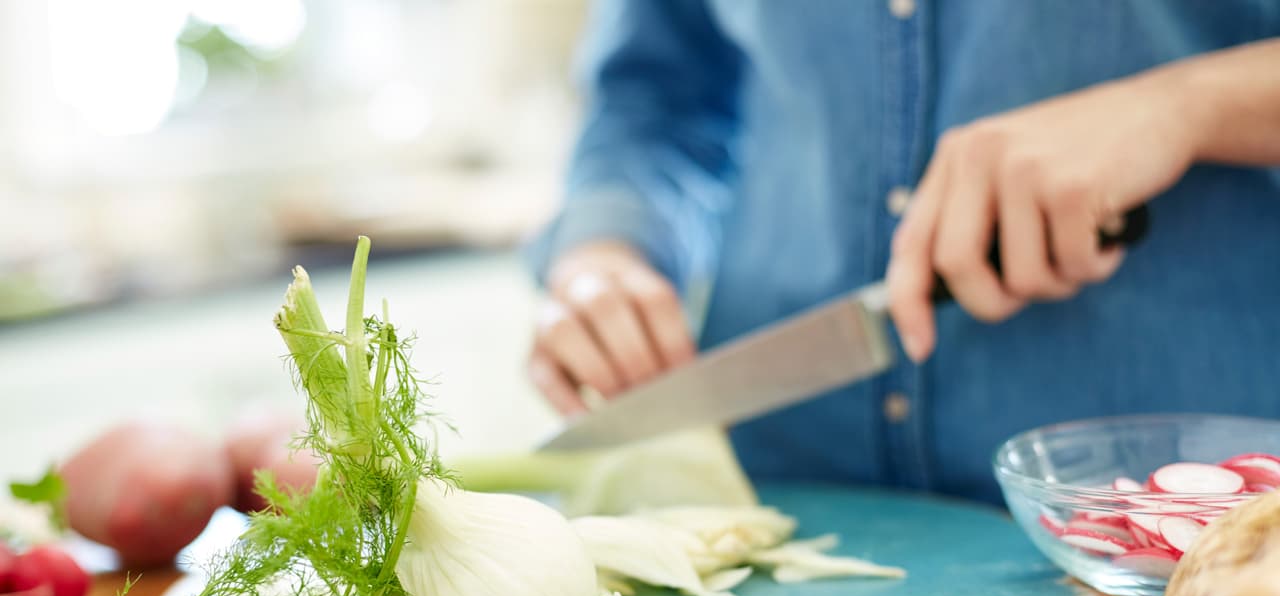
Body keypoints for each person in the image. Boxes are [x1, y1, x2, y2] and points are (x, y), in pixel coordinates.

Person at [525, 1, 1280, 505]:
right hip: (780, 498)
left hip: (1172, 539)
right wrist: (605, 249)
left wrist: (1185, 106)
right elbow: (659, 89)